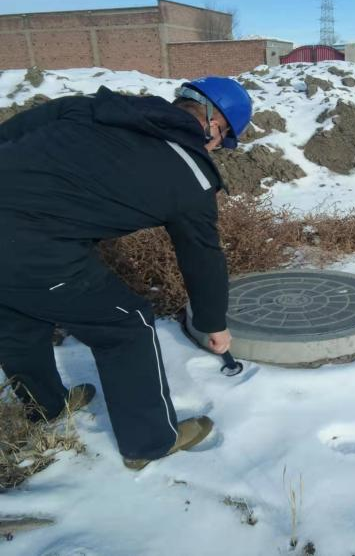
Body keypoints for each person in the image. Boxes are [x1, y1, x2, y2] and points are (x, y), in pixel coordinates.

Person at [0, 76, 252, 469]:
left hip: (22, 236)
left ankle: (46, 407)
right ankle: (149, 443)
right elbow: (201, 254)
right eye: (223, 140)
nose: (216, 148)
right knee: (126, 325)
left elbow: (10, 134)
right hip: (28, 245)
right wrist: (212, 323)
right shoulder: (192, 175)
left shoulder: (96, 108)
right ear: (213, 123)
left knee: (17, 314)